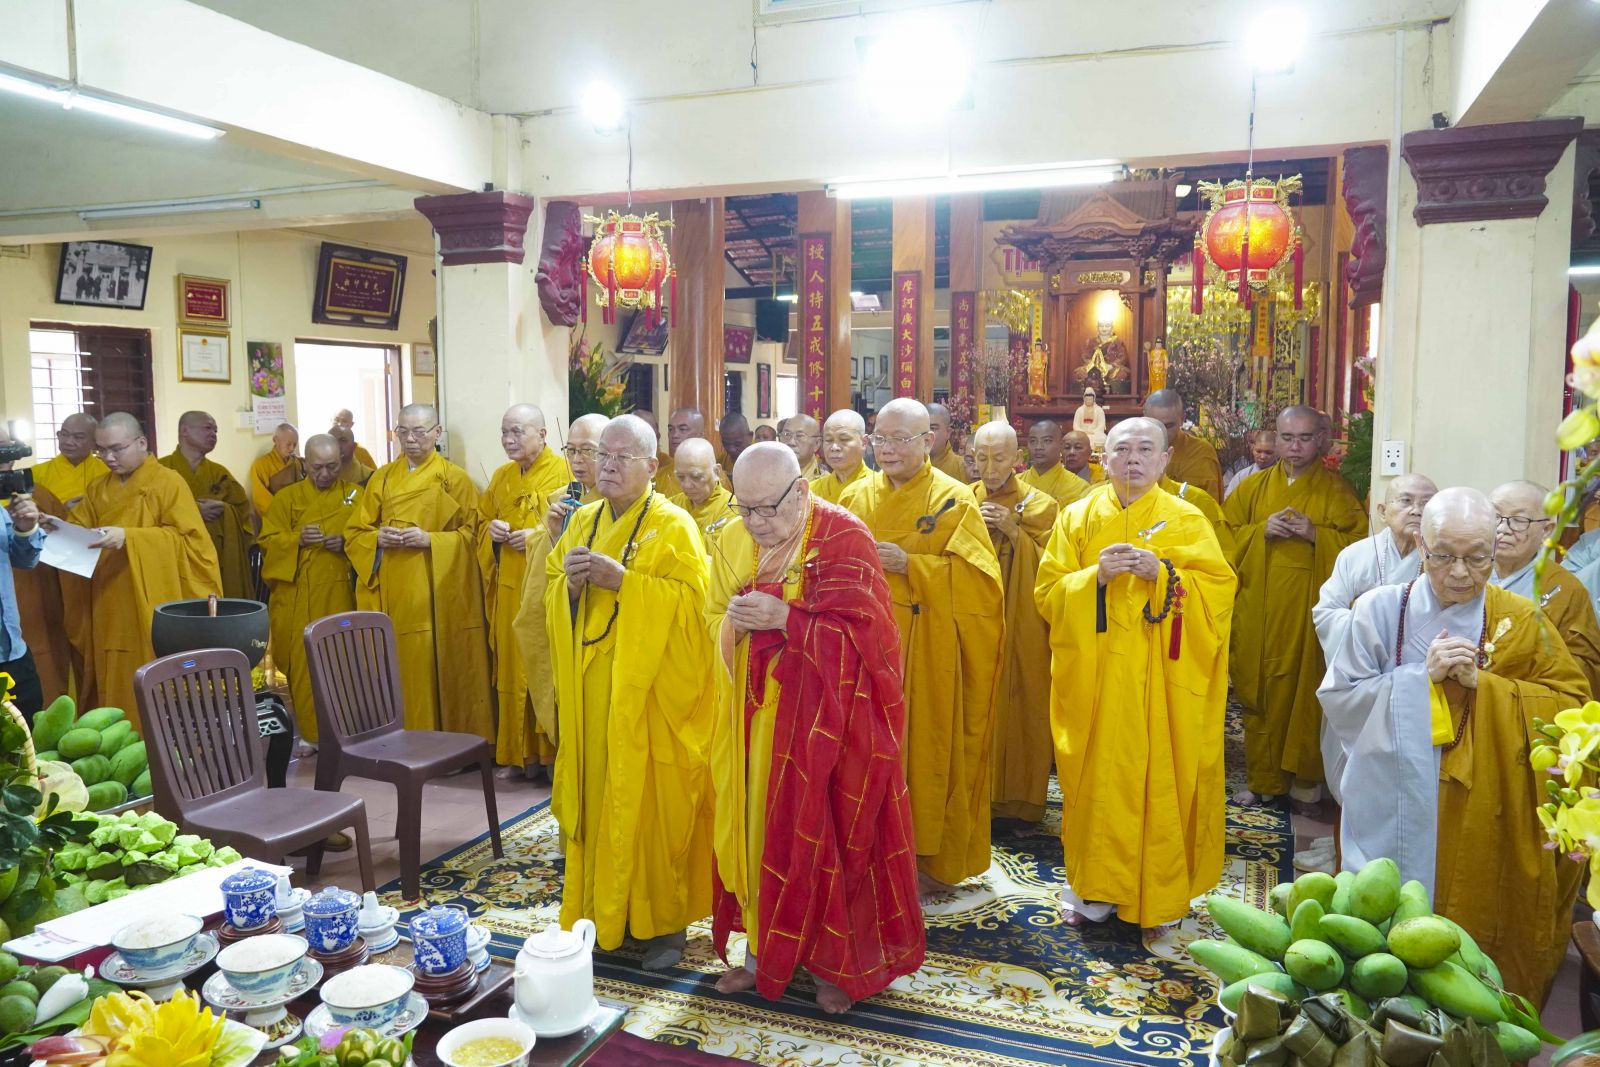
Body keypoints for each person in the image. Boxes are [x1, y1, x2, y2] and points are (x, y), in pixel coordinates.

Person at [1319, 488, 1587, 1004]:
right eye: (1444, 556)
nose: (1461, 573)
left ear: (1494, 549)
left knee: (1471, 940)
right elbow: (1340, 700)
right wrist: (1418, 680)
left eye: (1477, 558)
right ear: (1421, 546)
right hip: (1394, 797)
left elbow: (1572, 708)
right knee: (1382, 938)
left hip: (1485, 809)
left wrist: (1487, 687)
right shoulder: (1379, 610)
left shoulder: (1521, 620)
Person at [707, 444, 924, 1012]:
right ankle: (760, 956)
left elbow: (874, 643)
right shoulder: (732, 538)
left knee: (832, 836)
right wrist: (732, 626)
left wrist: (787, 619)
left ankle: (835, 967)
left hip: (831, 726)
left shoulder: (844, 538)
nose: (756, 523)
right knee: (759, 834)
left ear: (801, 491)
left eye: (768, 509)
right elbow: (707, 618)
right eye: (744, 508)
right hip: (756, 719)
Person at [1036, 417, 1235, 937]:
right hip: (1096, 680)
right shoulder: (1077, 517)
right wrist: (1094, 578)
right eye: (1122, 449)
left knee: (1160, 782)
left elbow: (1219, 593)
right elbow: (1048, 595)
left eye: (1146, 449)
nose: (1133, 459)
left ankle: (1159, 900)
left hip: (1160, 684)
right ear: (1104, 459)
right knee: (1093, 786)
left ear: (1165, 460)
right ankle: (1092, 892)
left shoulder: (1187, 520)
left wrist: (1165, 576)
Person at [544, 414, 715, 970]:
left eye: (622, 457)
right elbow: (550, 593)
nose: (609, 466)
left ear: (652, 465)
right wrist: (569, 589)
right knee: (599, 800)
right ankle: (596, 912)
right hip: (594, 695)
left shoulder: (673, 525)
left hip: (650, 697)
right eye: (603, 455)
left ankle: (663, 926)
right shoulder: (582, 521)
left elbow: (697, 611)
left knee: (651, 807)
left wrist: (626, 583)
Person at [838, 398, 1003, 897]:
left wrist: (913, 566)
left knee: (923, 751)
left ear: (928, 441)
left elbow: (982, 586)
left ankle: (923, 859)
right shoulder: (854, 497)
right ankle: (861, 856)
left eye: (900, 439)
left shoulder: (955, 498)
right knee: (862, 752)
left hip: (926, 652)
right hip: (863, 649)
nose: (886, 449)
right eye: (880, 439)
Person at [1225, 406, 1367, 809]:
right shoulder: (1252, 489)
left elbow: (1360, 548)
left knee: (1305, 690)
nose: (1294, 447)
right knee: (1258, 689)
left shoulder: (1337, 491)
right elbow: (1222, 536)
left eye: (1304, 438)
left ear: (1320, 440)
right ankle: (1263, 779)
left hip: (1307, 614)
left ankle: (1305, 783)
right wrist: (1259, 531)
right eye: (1287, 438)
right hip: (1257, 607)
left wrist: (1316, 535)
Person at [1303, 472, 1437, 874]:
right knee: (1349, 774)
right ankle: (1343, 850)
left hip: (1413, 689)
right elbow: (1326, 613)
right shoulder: (1356, 555)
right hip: (1359, 682)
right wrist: (1370, 626)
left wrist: (1374, 614)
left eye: (1426, 502)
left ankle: (1393, 863)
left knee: (1403, 782)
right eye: (1406, 501)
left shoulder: (1442, 560)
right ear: (1382, 509)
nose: (1416, 510)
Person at [344, 404, 493, 735]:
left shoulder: (454, 479)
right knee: (395, 664)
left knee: (430, 663)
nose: (410, 439)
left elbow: (474, 537)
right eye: (403, 431)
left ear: (437, 433)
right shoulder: (382, 477)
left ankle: (439, 741)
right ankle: (398, 739)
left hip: (435, 591)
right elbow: (354, 532)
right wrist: (377, 538)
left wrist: (431, 540)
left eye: (419, 432)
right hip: (392, 589)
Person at [66, 413, 220, 724]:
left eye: (117, 449)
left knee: (153, 676)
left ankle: (160, 745)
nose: (108, 458)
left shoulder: (168, 482)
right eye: (101, 450)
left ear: (141, 443)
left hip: (152, 603)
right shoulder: (97, 488)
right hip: (108, 600)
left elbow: (193, 544)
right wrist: (53, 528)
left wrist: (130, 538)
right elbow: (78, 532)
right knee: (113, 676)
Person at [970, 422, 1058, 830]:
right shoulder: (961, 499)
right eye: (981, 458)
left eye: (999, 458)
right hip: (974, 618)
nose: (990, 468)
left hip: (1023, 620)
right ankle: (972, 797)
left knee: (1024, 699)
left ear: (1017, 458)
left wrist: (1012, 530)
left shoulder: (1041, 505)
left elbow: (1054, 568)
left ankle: (1020, 801)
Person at [479, 405, 570, 776]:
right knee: (512, 667)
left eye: (517, 431)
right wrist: (493, 533)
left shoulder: (564, 473)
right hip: (508, 583)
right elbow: (480, 523)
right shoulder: (501, 476)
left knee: (541, 665)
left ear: (542, 434)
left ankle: (549, 756)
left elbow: (576, 525)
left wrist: (537, 536)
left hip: (542, 583)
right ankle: (517, 755)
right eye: (504, 432)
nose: (508, 440)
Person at [513, 413, 608, 763]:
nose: (578, 460)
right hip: (562, 613)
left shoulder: (619, 502)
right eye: (572, 450)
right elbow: (543, 563)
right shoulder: (561, 498)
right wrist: (552, 533)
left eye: (588, 451)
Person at [257, 435, 359, 743]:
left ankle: (347, 731)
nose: (325, 474)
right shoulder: (286, 499)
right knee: (302, 664)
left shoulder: (357, 495)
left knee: (343, 662)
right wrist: (296, 539)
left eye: (332, 467)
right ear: (304, 464)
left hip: (340, 594)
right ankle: (312, 735)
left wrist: (347, 543)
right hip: (296, 594)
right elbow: (267, 542)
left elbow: (369, 536)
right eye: (317, 468)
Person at [1489, 480, 1600, 697]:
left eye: (1519, 520)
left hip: (1524, 704)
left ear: (1546, 530)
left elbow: (1580, 675)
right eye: (1495, 517)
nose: (1502, 529)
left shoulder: (1565, 589)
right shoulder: (1464, 574)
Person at [159, 411, 254, 599]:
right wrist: (194, 512)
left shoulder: (220, 473)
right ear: (184, 431)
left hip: (216, 559)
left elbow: (243, 514)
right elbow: (148, 511)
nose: (213, 434)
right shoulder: (160, 470)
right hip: (175, 559)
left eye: (216, 431)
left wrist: (226, 510)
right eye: (208, 428)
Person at [0, 436, 45, 717]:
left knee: (28, 723)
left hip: (12, 649)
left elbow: (25, 560)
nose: (9, 463)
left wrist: (26, 528)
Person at [1143, 390, 1223, 502]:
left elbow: (1207, 504)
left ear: (1182, 418)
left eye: (1169, 426)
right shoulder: (1132, 450)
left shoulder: (1200, 453)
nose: (1162, 432)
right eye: (1155, 424)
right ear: (1144, 417)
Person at [669, 439, 738, 555]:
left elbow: (719, 555)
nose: (686, 485)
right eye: (680, 477)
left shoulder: (732, 508)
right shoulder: (672, 505)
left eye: (695, 476)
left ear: (716, 472)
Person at [33, 414, 109, 510]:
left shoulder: (107, 472)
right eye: (64, 434)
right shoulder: (36, 473)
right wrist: (62, 511)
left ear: (95, 442)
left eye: (78, 437)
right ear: (58, 435)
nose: (68, 442)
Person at [1020, 419, 1089, 507]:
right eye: (1033, 441)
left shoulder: (1079, 488)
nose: (1038, 447)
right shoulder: (1016, 482)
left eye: (1047, 441)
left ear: (1061, 445)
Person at [810, 410, 872, 505]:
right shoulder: (812, 491)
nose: (834, 447)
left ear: (864, 442)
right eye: (828, 440)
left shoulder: (877, 487)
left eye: (844, 439)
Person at [249, 423, 299, 519]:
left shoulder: (297, 463)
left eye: (295, 444)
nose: (292, 448)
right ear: (275, 440)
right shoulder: (261, 465)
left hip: (297, 513)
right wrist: (285, 514)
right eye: (288, 444)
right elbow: (261, 500)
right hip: (276, 517)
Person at [655, 408, 707, 498]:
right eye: (670, 429)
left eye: (682, 429)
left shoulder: (714, 477)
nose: (674, 435)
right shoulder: (660, 476)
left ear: (700, 435)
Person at [1225, 430, 1277, 499]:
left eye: (1268, 452)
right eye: (1258, 451)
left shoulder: (1285, 476)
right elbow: (1228, 501)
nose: (1262, 456)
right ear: (1253, 449)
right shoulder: (1241, 477)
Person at [925, 403, 967, 482]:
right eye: (923, 428)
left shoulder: (962, 467)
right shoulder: (908, 465)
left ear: (948, 432)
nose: (927, 434)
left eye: (933, 428)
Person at [778, 413, 823, 480]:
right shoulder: (766, 473)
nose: (791, 442)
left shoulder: (825, 482)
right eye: (787, 434)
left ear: (817, 444)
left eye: (800, 436)